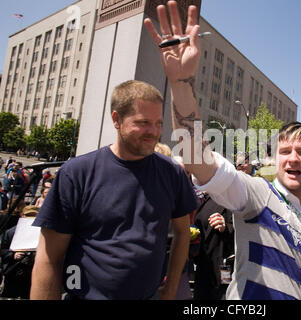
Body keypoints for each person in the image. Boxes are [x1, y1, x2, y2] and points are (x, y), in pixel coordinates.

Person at [144, 1, 301, 300]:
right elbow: (196, 158)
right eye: (285, 150)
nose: (292, 158)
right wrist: (181, 83)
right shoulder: (258, 195)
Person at [30, 80, 199, 300]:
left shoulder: (172, 173)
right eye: (143, 122)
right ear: (116, 119)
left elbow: (183, 232)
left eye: (158, 123)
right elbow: (49, 258)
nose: (154, 131)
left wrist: (170, 290)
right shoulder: (77, 173)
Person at [0, 205, 39, 299]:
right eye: (28, 215)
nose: (31, 218)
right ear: (22, 216)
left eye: (33, 216)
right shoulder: (11, 232)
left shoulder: (42, 233)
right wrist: (13, 255)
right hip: (14, 270)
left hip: (32, 271)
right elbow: (2, 250)